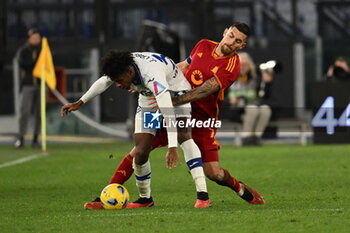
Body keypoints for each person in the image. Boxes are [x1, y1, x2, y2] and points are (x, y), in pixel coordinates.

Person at [81, 22, 265, 210]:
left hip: (201, 118)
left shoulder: (232, 66)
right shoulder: (203, 45)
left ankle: (239, 188)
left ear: (241, 46)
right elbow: (183, 67)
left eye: (238, 41)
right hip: (169, 106)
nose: (231, 42)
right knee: (139, 151)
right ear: (225, 32)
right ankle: (106, 197)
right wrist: (151, 82)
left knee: (214, 173)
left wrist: (174, 101)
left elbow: (205, 89)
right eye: (231, 36)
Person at [61, 51, 210, 208]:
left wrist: (172, 147)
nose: (118, 85)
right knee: (140, 151)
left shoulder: (152, 74)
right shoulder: (122, 66)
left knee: (184, 138)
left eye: (119, 81)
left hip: (176, 94)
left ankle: (203, 196)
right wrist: (80, 102)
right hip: (148, 99)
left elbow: (167, 110)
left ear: (130, 72)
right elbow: (104, 82)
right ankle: (145, 199)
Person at [227, 52, 274, 146]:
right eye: (241, 64)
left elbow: (265, 96)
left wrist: (267, 84)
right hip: (236, 110)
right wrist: (229, 100)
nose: (244, 67)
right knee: (252, 110)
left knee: (265, 109)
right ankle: (246, 137)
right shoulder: (229, 76)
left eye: (246, 64)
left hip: (253, 107)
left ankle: (256, 138)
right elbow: (220, 96)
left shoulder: (256, 78)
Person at [14, 28, 42, 148]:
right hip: (28, 85)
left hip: (41, 85)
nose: (36, 40)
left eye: (38, 38)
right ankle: (21, 138)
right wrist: (36, 64)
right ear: (29, 38)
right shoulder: (23, 51)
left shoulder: (43, 50)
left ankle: (36, 138)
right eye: (34, 38)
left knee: (39, 113)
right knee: (24, 112)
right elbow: (24, 65)